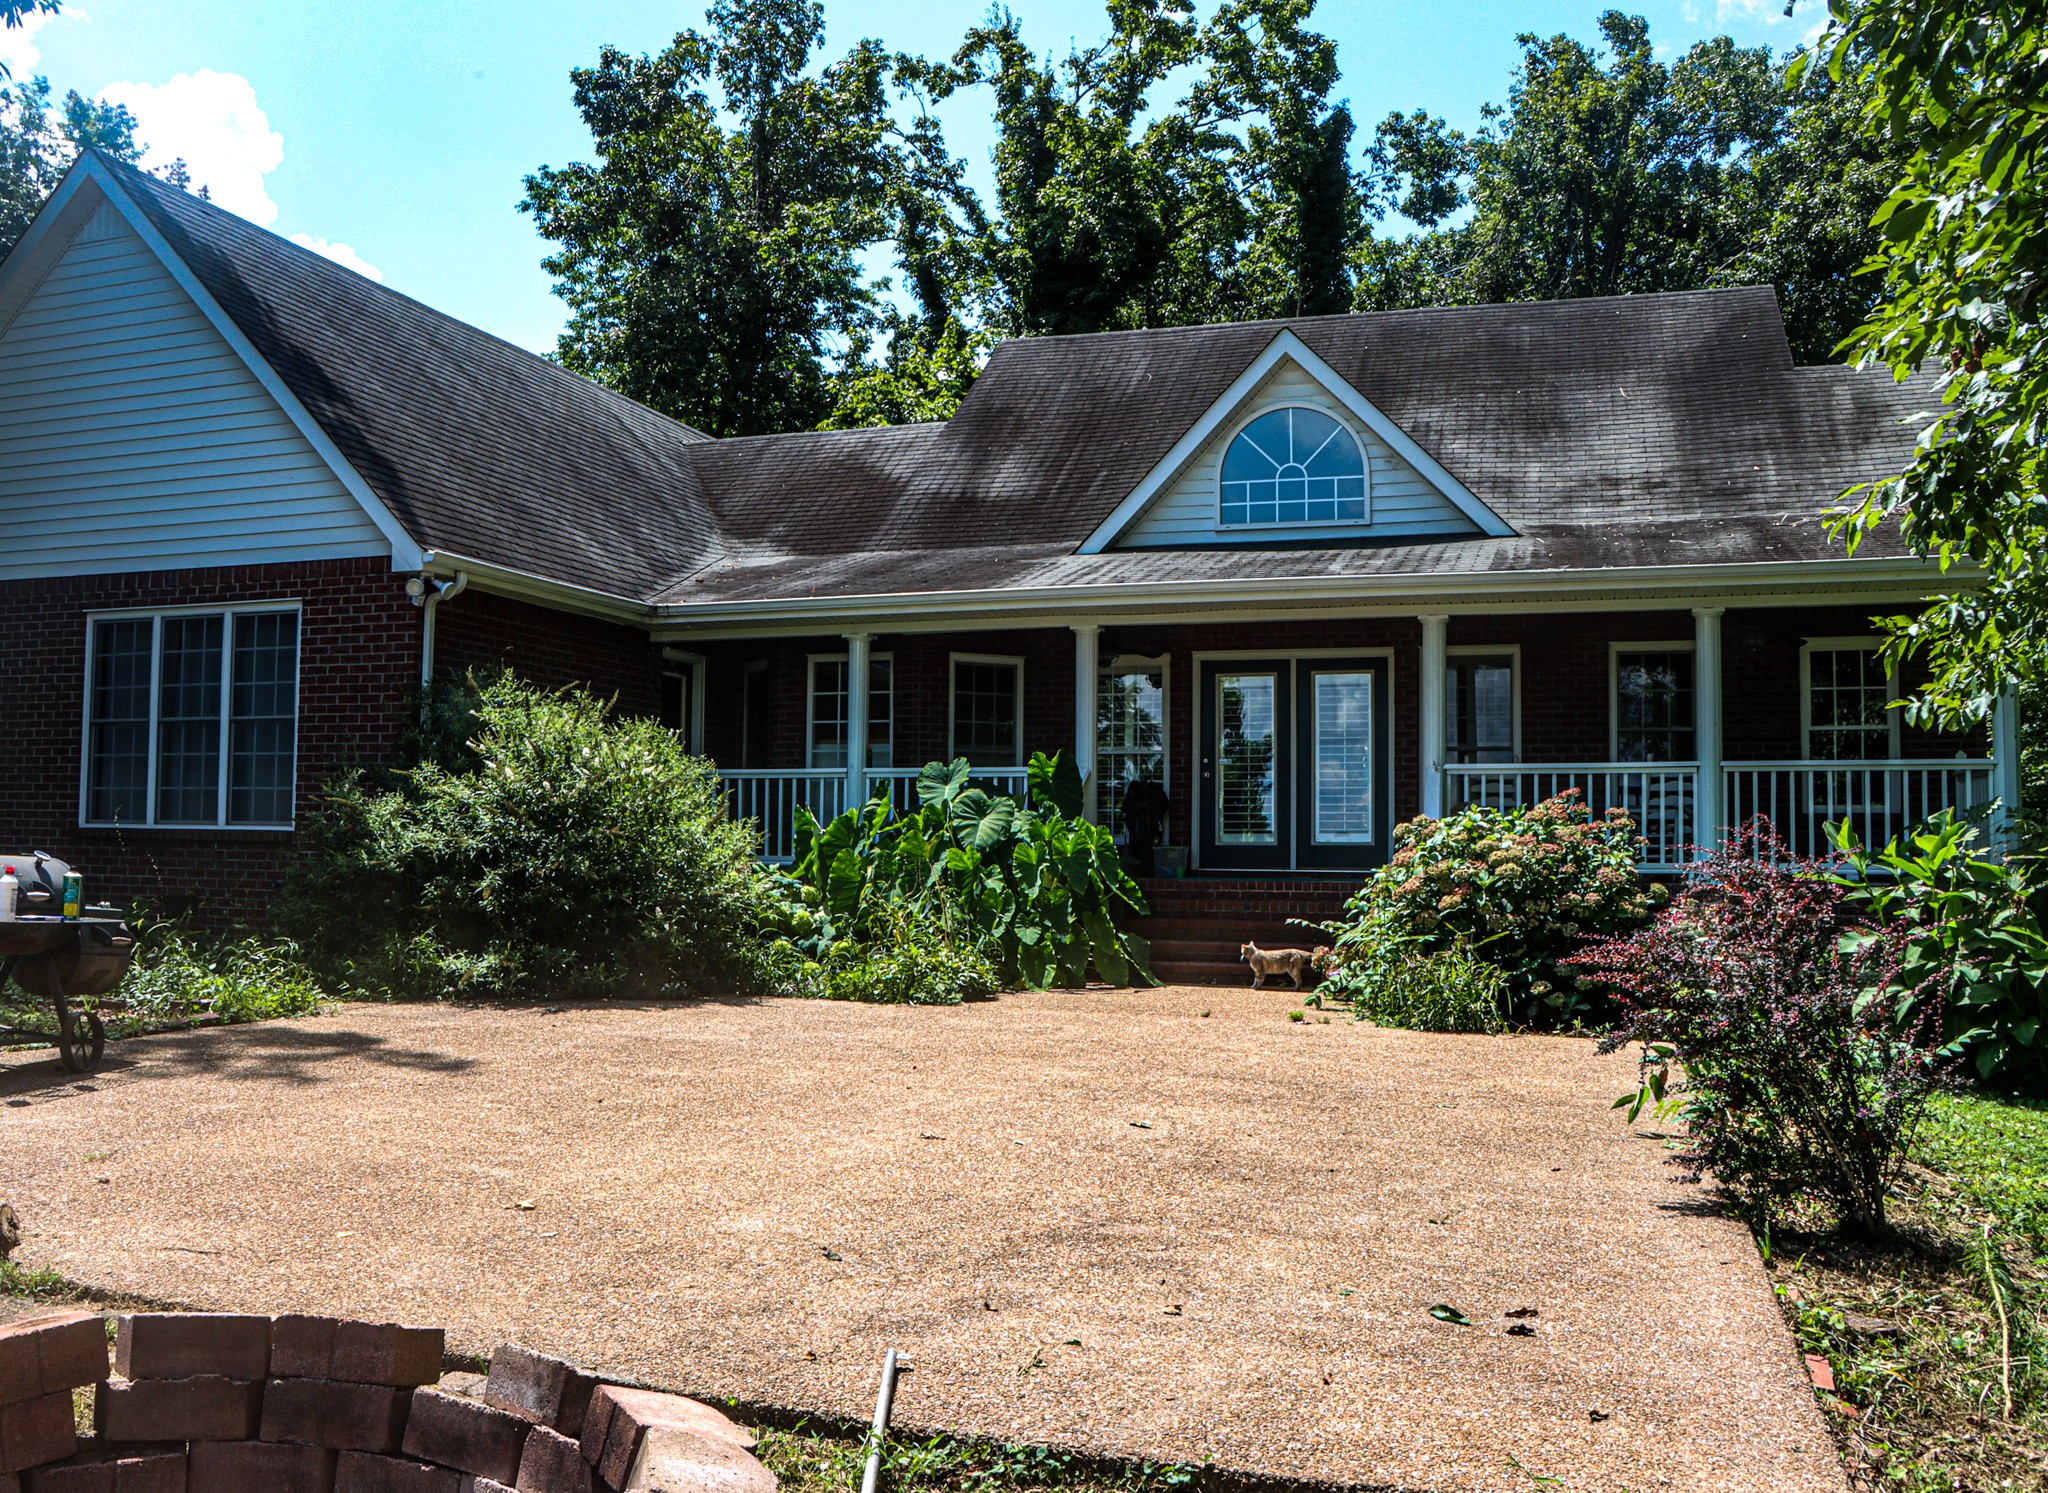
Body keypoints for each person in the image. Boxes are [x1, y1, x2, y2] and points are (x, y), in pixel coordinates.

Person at [1119, 779, 1172, 876]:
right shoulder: (1149, 800)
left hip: (1141, 836)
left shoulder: (1137, 806)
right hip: (1149, 835)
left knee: (1141, 854)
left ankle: (1141, 872)